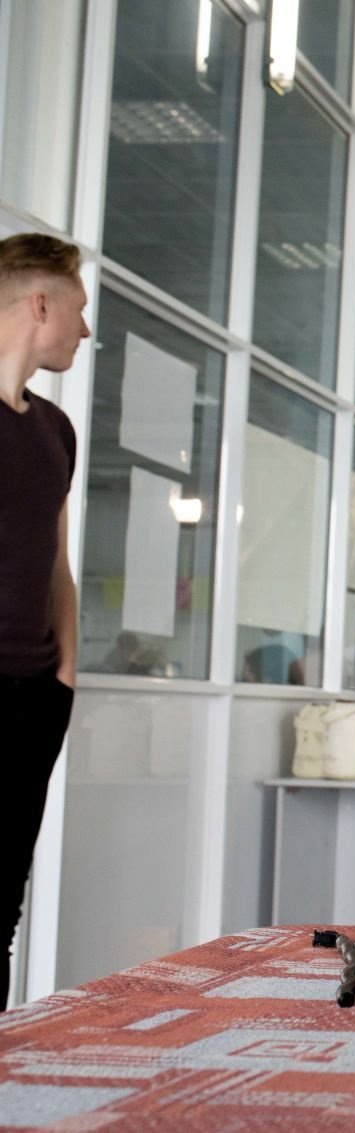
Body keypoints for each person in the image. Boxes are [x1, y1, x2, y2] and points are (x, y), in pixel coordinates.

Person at [0, 233, 89, 1007]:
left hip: (33, 696)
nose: (84, 329)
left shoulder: (55, 429)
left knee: (2, 907)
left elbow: (57, 560)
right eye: (78, 310)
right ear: (39, 304)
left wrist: (63, 676)